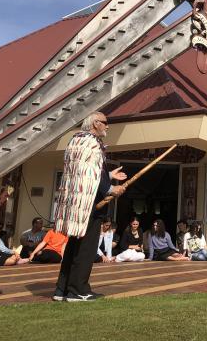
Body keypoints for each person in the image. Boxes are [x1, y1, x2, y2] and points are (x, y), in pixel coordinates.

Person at [52, 111, 127, 302]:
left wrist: (108, 175)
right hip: (90, 205)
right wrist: (110, 188)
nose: (107, 126)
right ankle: (78, 290)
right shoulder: (92, 143)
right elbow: (91, 174)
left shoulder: (75, 140)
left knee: (73, 246)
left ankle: (62, 289)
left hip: (76, 203)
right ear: (95, 124)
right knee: (86, 248)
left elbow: (83, 172)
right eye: (105, 122)